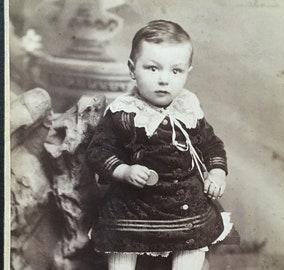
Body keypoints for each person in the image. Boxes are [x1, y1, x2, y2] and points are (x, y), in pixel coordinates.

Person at [87, 20, 230, 270]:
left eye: (176, 71)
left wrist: (217, 172)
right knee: (121, 244)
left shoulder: (188, 108)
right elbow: (99, 150)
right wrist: (124, 171)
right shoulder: (124, 112)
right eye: (152, 68)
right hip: (134, 207)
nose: (164, 80)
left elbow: (212, 145)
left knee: (192, 242)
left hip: (183, 204)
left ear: (188, 70)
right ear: (132, 69)